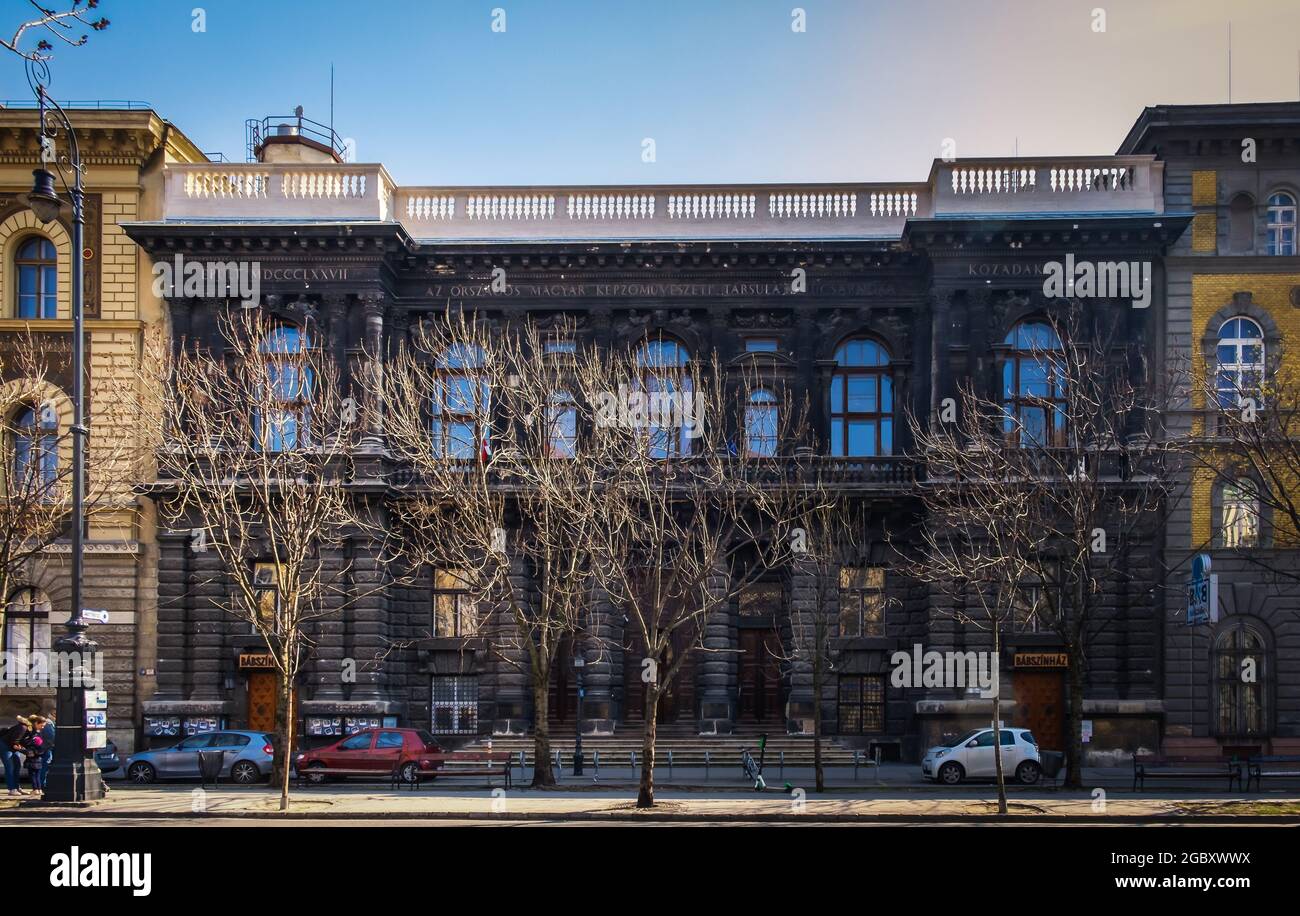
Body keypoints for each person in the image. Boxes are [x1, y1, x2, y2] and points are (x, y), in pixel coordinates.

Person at [1, 716, 33, 797]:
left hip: (12, 746)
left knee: (17, 766)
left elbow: (21, 741)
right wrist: (25, 751)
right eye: (41, 725)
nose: (42, 727)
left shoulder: (29, 729)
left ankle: (17, 787)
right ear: (34, 723)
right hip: (5, 746)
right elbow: (14, 743)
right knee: (10, 767)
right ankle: (12, 789)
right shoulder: (23, 727)